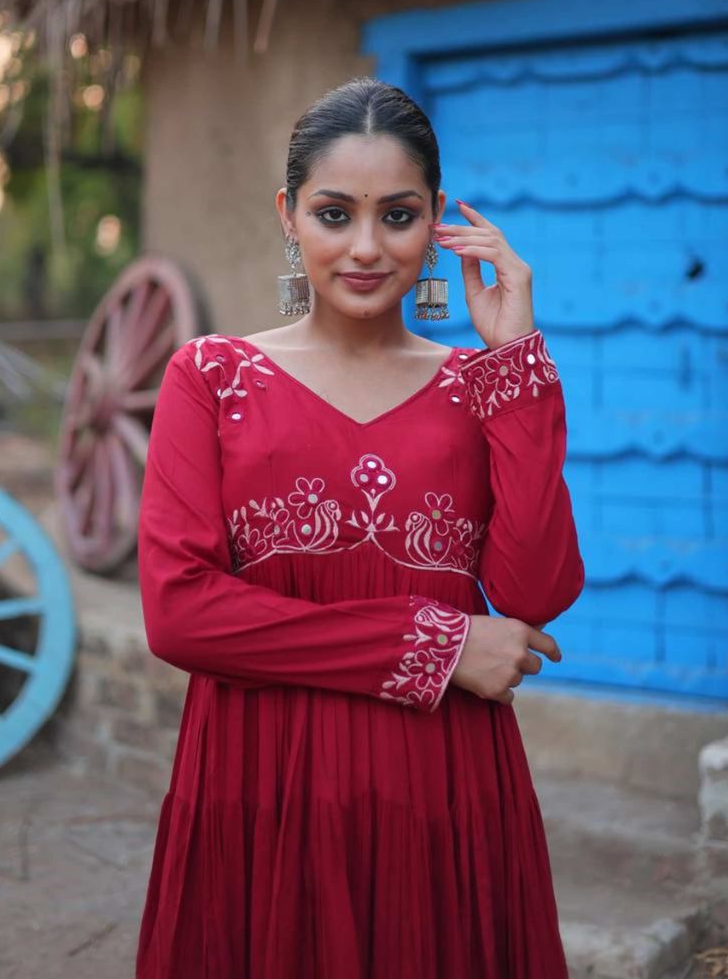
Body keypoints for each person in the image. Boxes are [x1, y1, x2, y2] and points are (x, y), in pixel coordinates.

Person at [135, 77, 584, 979]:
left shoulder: (477, 387)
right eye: (335, 213)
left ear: (436, 226)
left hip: (442, 785)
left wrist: (515, 366)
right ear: (288, 216)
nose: (368, 248)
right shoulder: (210, 377)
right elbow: (180, 614)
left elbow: (535, 594)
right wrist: (434, 645)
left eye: (400, 216)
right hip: (259, 781)